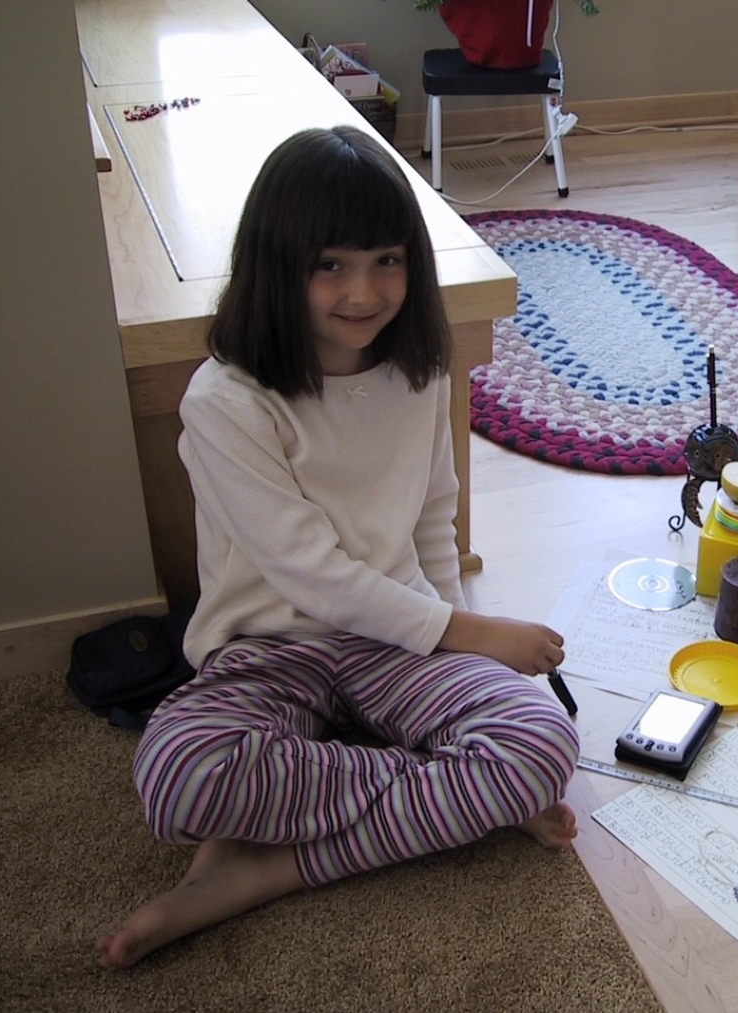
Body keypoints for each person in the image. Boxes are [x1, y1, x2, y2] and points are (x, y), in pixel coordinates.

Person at [96, 126, 580, 969]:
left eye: (387, 260)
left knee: (541, 738)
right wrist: (475, 635)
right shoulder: (227, 400)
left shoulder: (421, 368)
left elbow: (435, 521)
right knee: (176, 774)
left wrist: (458, 642)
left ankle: (271, 865)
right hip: (269, 645)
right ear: (277, 265)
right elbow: (309, 574)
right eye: (330, 264)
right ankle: (467, 798)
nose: (363, 291)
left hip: (396, 639)